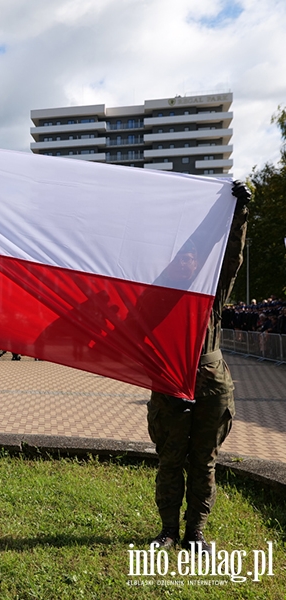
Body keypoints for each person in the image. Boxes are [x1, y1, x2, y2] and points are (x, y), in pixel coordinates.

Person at [147, 181, 251, 553]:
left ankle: (196, 533)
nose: (187, 261)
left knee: (204, 462)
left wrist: (238, 214)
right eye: (181, 256)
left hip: (211, 387)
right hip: (169, 384)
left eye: (193, 256)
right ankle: (169, 531)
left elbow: (233, 257)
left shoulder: (211, 293)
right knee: (171, 460)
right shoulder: (155, 296)